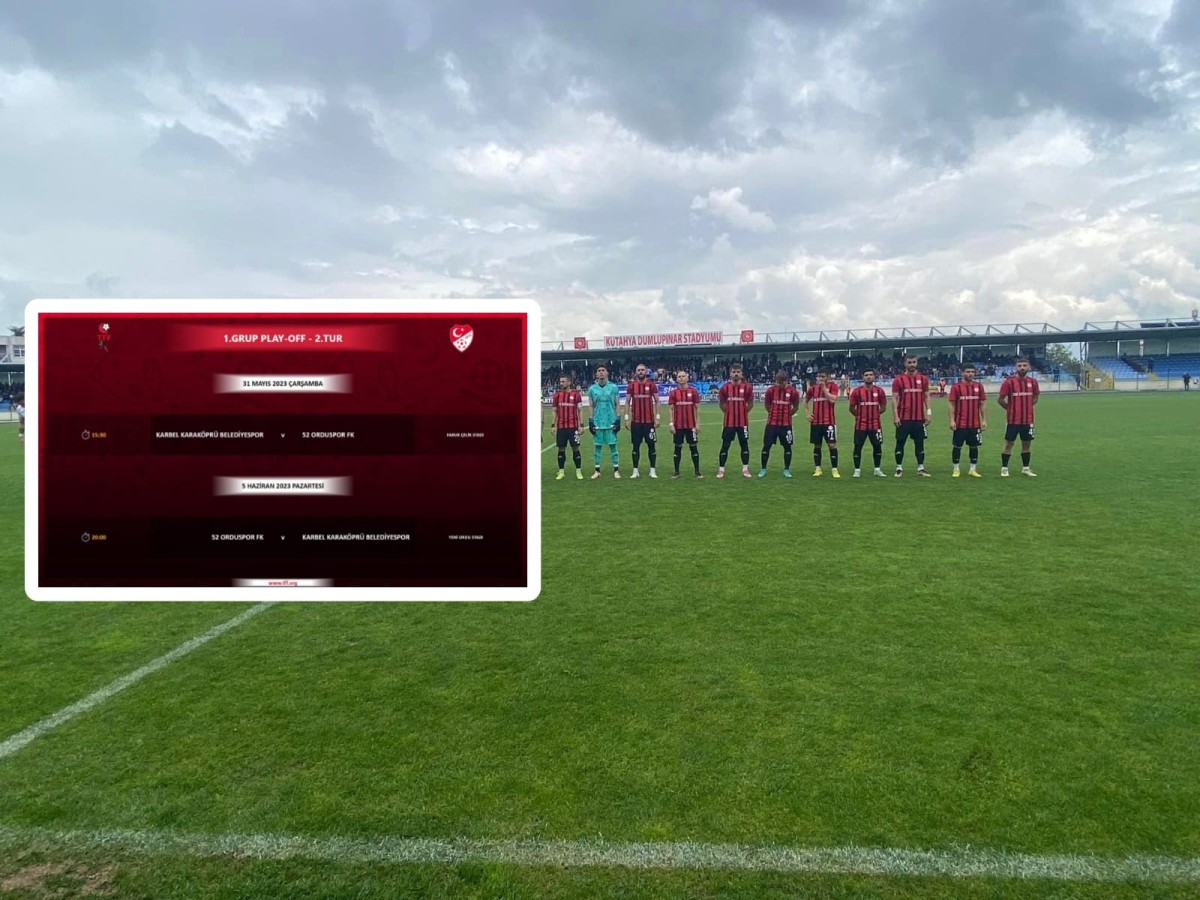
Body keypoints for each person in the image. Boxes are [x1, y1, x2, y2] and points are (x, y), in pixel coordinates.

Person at [998, 357, 1040, 477]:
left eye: (1024, 365)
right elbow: (1000, 399)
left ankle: (1026, 468)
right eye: (1020, 366)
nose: (1022, 368)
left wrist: (1028, 406)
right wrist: (1010, 408)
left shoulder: (1033, 382)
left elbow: (1036, 397)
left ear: (1029, 367)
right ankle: (1004, 469)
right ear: (1016, 367)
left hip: (1028, 420)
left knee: (1026, 444)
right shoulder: (1009, 382)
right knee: (1009, 444)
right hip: (1013, 420)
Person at [892, 354, 931, 477]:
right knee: (900, 442)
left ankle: (921, 468)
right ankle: (899, 468)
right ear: (905, 364)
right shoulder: (898, 380)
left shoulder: (923, 379)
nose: (912, 364)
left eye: (914, 362)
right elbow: (894, 398)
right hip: (903, 418)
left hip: (919, 418)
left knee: (919, 443)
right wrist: (895, 416)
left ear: (917, 363)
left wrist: (929, 413)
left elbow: (926, 396)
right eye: (909, 362)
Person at [758, 369, 800, 477]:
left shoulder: (793, 392)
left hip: (786, 425)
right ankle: (763, 469)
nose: (779, 384)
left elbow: (795, 407)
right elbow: (767, 405)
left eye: (782, 382)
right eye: (777, 382)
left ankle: (786, 469)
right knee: (766, 446)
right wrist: (773, 413)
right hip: (771, 424)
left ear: (786, 381)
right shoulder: (770, 391)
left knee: (787, 447)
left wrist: (788, 414)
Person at [947, 365, 986, 478]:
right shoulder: (956, 387)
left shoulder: (979, 386)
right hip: (960, 423)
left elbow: (982, 404)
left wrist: (984, 420)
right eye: (968, 372)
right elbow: (951, 404)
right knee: (957, 446)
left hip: (975, 424)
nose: (970, 374)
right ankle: (956, 469)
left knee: (974, 446)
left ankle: (972, 469)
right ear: (962, 373)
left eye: (972, 372)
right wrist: (952, 420)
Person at [717, 363, 754, 478]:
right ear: (730, 373)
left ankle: (745, 469)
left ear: (741, 373)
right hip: (729, 423)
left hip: (743, 423)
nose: (736, 374)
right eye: (734, 372)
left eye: (738, 372)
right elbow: (721, 404)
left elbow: (750, 404)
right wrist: (728, 412)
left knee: (744, 445)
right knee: (725, 445)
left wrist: (743, 412)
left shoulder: (747, 388)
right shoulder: (725, 388)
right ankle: (721, 470)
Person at [848, 369, 888, 477]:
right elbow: (851, 408)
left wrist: (875, 414)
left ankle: (877, 469)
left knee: (877, 446)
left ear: (874, 377)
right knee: (858, 447)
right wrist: (859, 416)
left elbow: (883, 406)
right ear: (863, 377)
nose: (868, 377)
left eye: (871, 375)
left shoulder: (879, 391)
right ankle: (857, 470)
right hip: (860, 425)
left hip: (876, 425)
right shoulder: (857, 391)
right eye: (866, 375)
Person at [624, 362, 660, 479]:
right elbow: (627, 402)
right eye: (638, 370)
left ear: (646, 372)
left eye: (642, 370)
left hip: (649, 422)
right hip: (636, 422)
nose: (640, 372)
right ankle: (635, 471)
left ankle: (652, 471)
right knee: (635, 446)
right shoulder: (631, 386)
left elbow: (657, 401)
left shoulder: (651, 385)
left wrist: (657, 417)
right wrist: (626, 418)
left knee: (651, 446)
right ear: (636, 372)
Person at [587, 366, 621, 479]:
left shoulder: (613, 387)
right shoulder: (592, 389)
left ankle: (616, 470)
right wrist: (591, 420)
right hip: (598, 422)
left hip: (611, 421)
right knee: (597, 447)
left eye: (603, 370)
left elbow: (617, 404)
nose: (601, 372)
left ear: (607, 373)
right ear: (596, 374)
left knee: (613, 446)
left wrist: (618, 419)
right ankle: (597, 471)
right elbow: (591, 405)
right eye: (599, 371)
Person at [668, 370, 703, 479]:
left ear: (687, 378)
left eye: (683, 376)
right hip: (678, 426)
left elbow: (697, 409)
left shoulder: (693, 392)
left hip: (691, 426)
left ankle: (697, 472)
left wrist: (698, 423)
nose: (681, 378)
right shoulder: (673, 393)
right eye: (679, 376)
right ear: (677, 379)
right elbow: (671, 409)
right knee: (677, 448)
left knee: (693, 448)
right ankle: (676, 472)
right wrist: (671, 424)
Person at [804, 370, 840, 477]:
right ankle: (818, 469)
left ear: (827, 377)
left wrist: (824, 389)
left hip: (829, 422)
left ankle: (834, 469)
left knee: (832, 445)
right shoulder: (813, 388)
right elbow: (805, 401)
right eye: (819, 376)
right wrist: (807, 413)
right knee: (817, 445)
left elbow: (832, 400)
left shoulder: (833, 386)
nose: (820, 378)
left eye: (823, 376)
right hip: (816, 423)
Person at [549, 375, 584, 480]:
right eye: (560, 381)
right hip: (561, 427)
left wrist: (581, 425)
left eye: (563, 381)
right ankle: (561, 472)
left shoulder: (576, 395)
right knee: (561, 449)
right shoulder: (557, 395)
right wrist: (553, 425)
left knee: (575, 448)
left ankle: (578, 471)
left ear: (569, 382)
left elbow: (580, 410)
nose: (561, 383)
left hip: (573, 427)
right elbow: (554, 411)